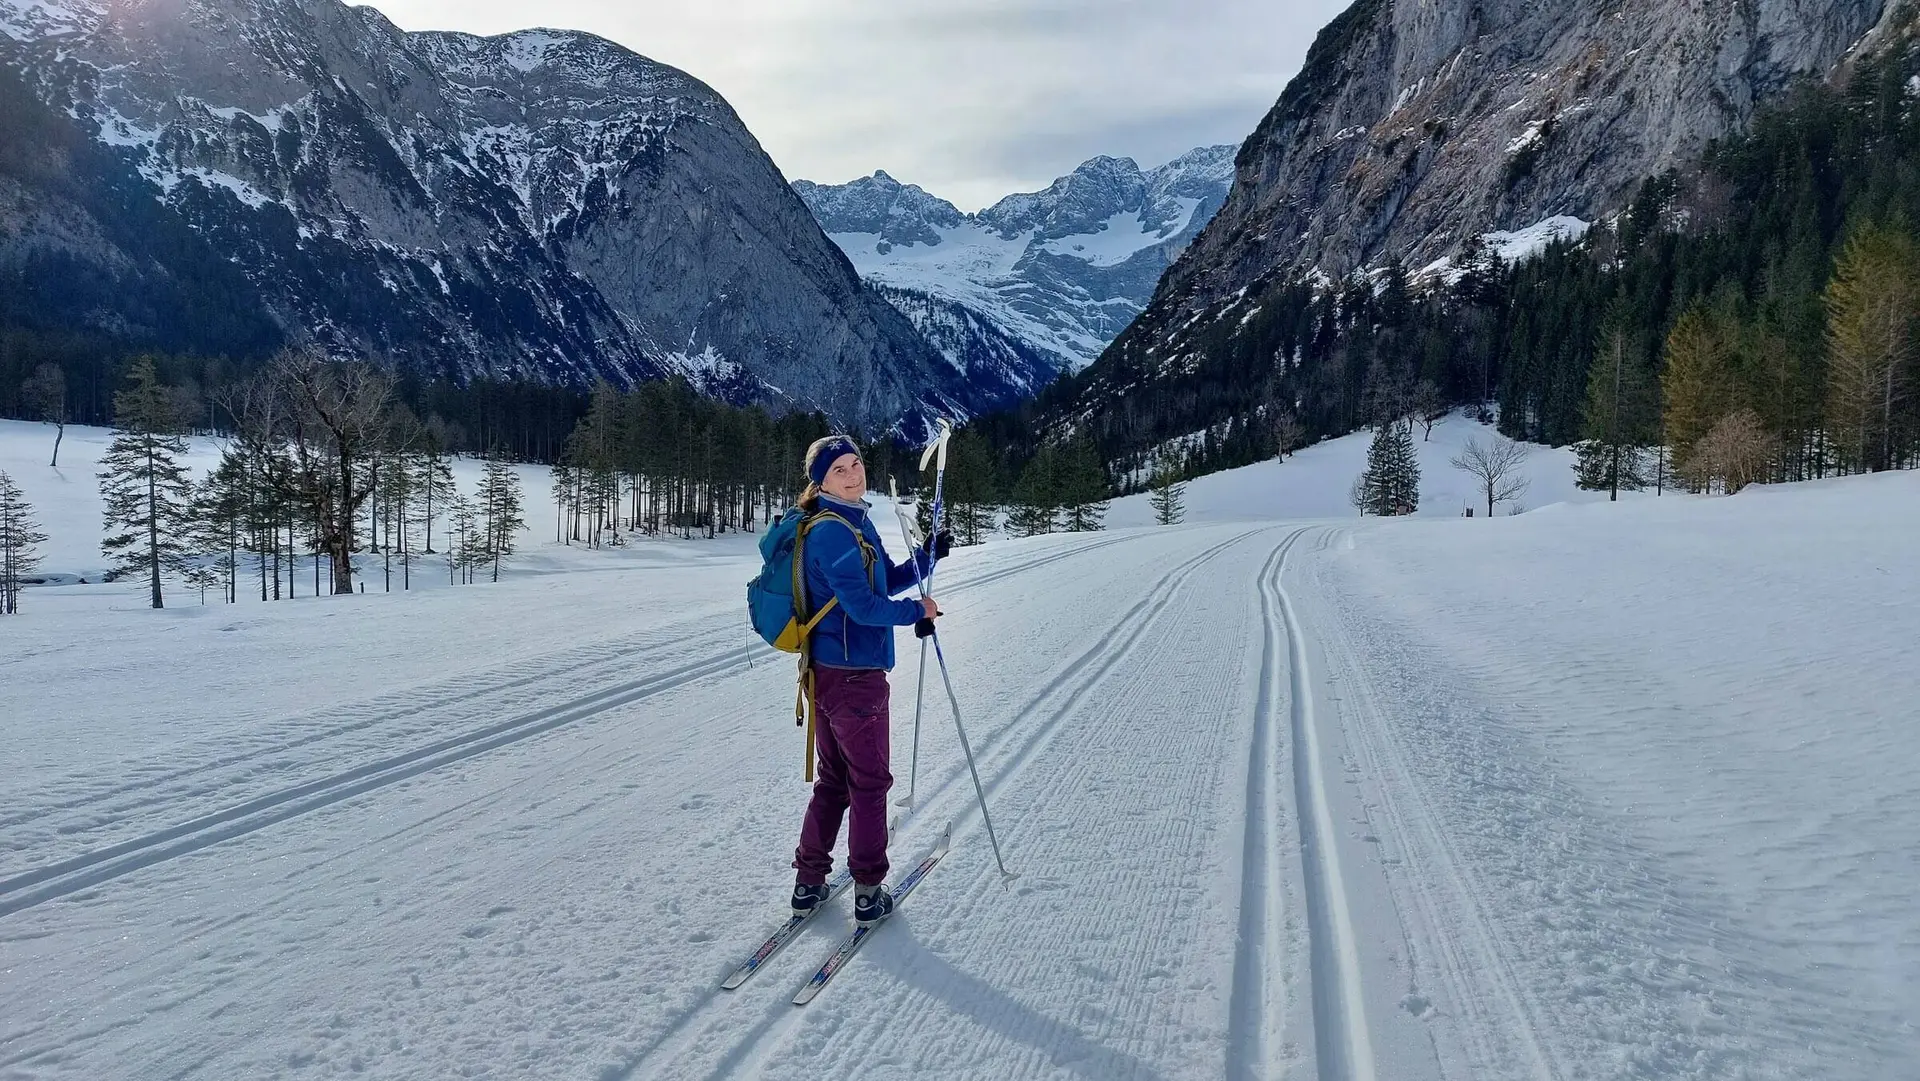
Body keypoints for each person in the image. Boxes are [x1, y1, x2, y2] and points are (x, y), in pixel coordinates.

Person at [789, 435, 950, 925]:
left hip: (831, 675)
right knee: (869, 782)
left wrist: (926, 560)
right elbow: (862, 609)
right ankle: (867, 890)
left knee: (837, 780)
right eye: (839, 469)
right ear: (821, 482)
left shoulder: (852, 522)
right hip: (853, 678)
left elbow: (875, 586)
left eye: (855, 463)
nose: (853, 474)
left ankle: (808, 883)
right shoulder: (833, 532)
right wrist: (915, 613)